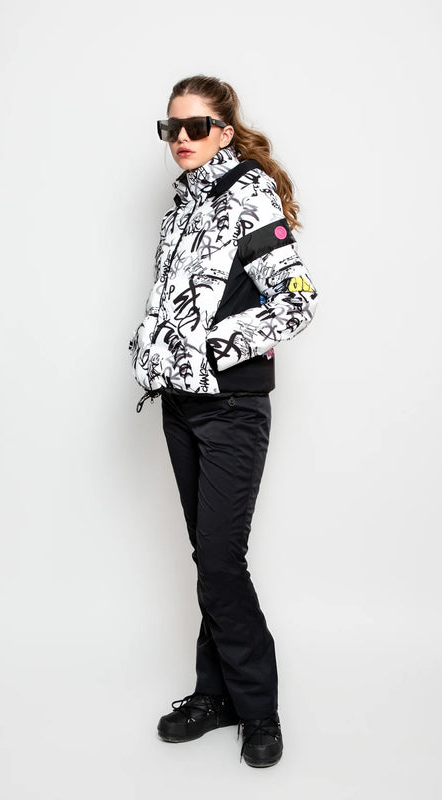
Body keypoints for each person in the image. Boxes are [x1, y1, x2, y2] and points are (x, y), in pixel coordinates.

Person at [129, 75, 318, 768]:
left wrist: (211, 349)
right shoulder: (181, 204)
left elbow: (296, 300)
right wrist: (154, 351)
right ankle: (215, 695)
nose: (181, 138)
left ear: (226, 130)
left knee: (219, 561)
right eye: (171, 127)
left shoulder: (250, 195)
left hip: (232, 406)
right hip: (180, 404)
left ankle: (258, 709)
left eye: (196, 125)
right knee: (207, 559)